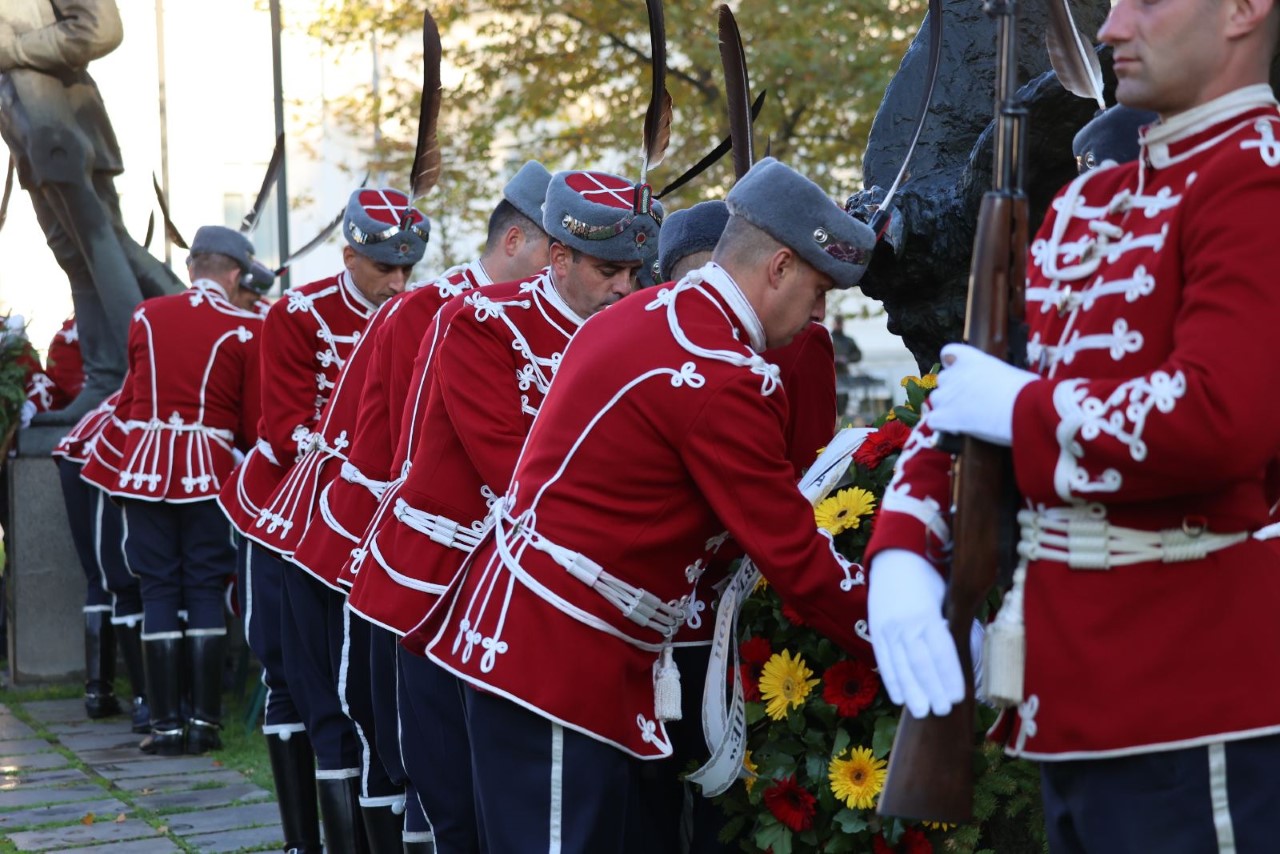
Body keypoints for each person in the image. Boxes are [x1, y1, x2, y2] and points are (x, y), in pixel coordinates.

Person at [864, 0, 1280, 848]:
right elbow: (970, 395)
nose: (1110, 28)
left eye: (1146, 2)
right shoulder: (1089, 201)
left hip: (1194, 703)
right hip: (1068, 698)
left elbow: (1219, 414)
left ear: (1245, 10)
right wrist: (906, 546)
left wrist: (1022, 409)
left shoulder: (1257, 178)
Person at [406, 158, 875, 849]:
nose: (816, 316)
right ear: (778, 267)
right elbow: (794, 556)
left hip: (542, 648)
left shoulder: (648, 315)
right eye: (816, 292)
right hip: (561, 663)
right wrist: (921, 636)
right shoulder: (718, 372)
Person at [361, 168, 659, 852]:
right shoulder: (482, 323)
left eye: (634, 271)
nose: (626, 287)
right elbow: (515, 469)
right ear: (560, 258)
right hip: (450, 585)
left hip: (566, 595)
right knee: (453, 801)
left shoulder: (635, 332)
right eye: (611, 270)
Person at [288, 161, 552, 852]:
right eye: (563, 253)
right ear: (519, 242)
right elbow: (397, 447)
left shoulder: (560, 315)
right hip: (410, 556)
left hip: (498, 565)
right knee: (399, 745)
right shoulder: (426, 311)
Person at [217, 187, 426, 853]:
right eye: (383, 269)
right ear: (348, 255)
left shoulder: (418, 311)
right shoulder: (301, 312)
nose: (396, 283)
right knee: (288, 672)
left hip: (377, 503)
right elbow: (280, 429)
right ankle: (303, 840)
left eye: (405, 270)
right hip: (298, 503)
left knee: (359, 682)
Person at [79, 225, 265, 755]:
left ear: (192, 269)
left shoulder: (147, 316)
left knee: (157, 587)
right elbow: (250, 420)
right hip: (209, 469)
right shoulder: (246, 326)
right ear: (234, 274)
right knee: (205, 587)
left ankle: (164, 727)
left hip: (143, 470)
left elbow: (135, 398)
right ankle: (205, 724)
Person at [0, 0, 182, 422]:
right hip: (25, 123)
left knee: (102, 247)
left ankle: (148, 367)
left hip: (58, 120)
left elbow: (100, 27)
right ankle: (108, 377)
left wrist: (15, 50)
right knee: (76, 256)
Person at [52, 388, 148, 732]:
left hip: (79, 450)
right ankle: (144, 697)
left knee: (100, 577)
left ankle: (98, 691)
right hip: (104, 457)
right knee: (121, 579)